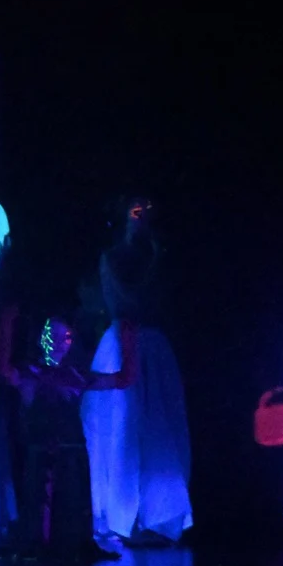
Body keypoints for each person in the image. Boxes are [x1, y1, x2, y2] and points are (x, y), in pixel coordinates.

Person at [80, 195, 193, 546]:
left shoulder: (160, 256)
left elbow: (163, 302)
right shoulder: (113, 257)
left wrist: (159, 258)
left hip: (154, 345)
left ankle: (155, 516)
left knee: (159, 428)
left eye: (148, 211)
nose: (143, 217)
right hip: (123, 343)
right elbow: (127, 301)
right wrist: (155, 261)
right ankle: (121, 517)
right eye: (136, 211)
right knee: (121, 428)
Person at [0, 307, 133, 563]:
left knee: (73, 499)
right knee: (39, 500)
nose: (58, 342)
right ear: (41, 338)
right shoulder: (30, 373)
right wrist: (7, 324)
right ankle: (38, 542)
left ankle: (70, 544)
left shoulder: (76, 374)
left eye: (65, 336)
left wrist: (127, 337)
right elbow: (4, 371)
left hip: (72, 448)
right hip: (41, 450)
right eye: (52, 335)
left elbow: (123, 380)